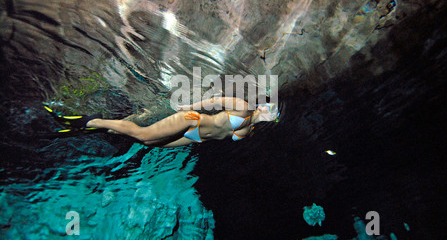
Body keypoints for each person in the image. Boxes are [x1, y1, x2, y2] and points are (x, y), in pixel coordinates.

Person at [45, 97, 280, 147]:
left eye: (274, 113)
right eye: (270, 107)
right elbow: (217, 98)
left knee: (148, 143)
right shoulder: (244, 107)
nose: (270, 111)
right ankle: (87, 121)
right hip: (191, 121)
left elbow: (228, 136)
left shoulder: (250, 131)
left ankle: (96, 129)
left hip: (195, 138)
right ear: (262, 106)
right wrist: (190, 106)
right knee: (144, 134)